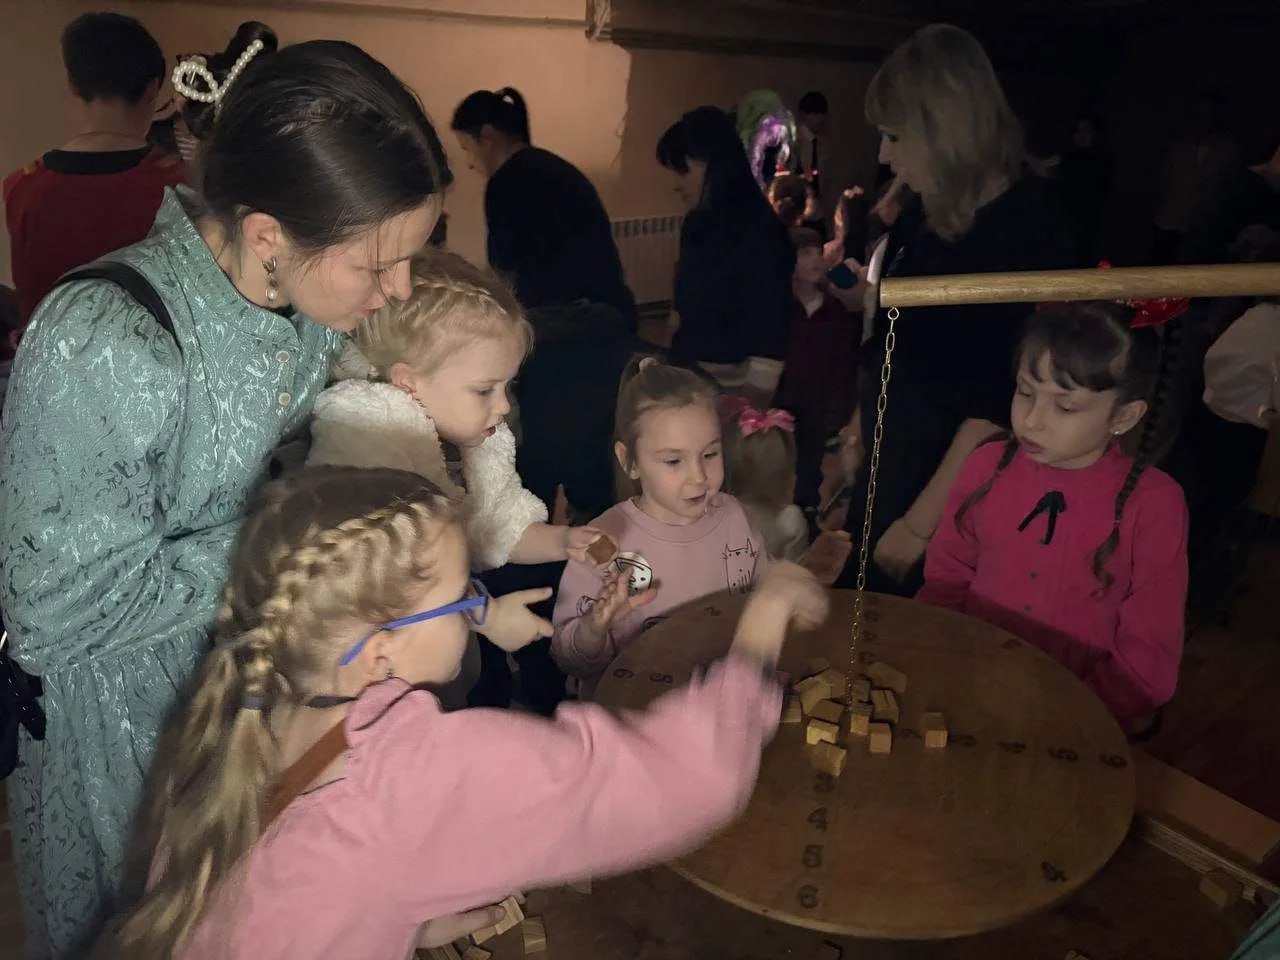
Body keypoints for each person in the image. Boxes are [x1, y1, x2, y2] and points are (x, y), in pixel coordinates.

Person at [0, 39, 452, 958]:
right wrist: (288, 537)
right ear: (268, 235)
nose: (397, 289)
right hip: (126, 733)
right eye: (377, 266)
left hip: (247, 691)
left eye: (411, 256)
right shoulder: (107, 338)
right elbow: (52, 613)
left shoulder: (299, 307)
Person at [98, 465, 827, 959]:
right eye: (461, 598)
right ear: (380, 651)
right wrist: (762, 621)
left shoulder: (247, 711)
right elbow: (678, 782)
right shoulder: (415, 776)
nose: (476, 607)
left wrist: (384, 916)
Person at [306, 250, 614, 707]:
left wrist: (564, 541)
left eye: (507, 386)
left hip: (445, 644)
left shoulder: (469, 437)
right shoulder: (365, 445)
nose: (504, 406)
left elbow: (496, 527)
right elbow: (405, 575)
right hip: (373, 676)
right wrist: (488, 616)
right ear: (409, 382)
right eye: (484, 390)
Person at [834, 23, 1073, 595]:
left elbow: (1002, 399)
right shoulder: (926, 210)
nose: (884, 154)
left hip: (951, 485)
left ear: (946, 129)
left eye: (895, 135)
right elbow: (898, 336)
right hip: (897, 452)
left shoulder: (1029, 227)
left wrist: (921, 523)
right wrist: (857, 430)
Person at [919, 303, 1188, 730]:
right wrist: (941, 657)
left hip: (1077, 713)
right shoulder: (986, 464)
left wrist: (1070, 711)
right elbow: (946, 576)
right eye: (1026, 392)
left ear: (1124, 416)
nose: (1031, 421)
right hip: (970, 679)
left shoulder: (1154, 502)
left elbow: (1148, 652)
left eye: (1065, 407)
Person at [451, 86, 634, 522]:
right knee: (593, 443)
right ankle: (599, 535)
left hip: (562, 329)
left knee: (542, 448)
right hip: (607, 320)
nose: (471, 163)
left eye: (468, 149)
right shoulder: (553, 169)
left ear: (488, 136)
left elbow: (509, 276)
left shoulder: (508, 182)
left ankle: (538, 540)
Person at [551, 359, 768, 697]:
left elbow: (765, 601)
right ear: (630, 462)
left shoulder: (736, 518)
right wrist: (594, 628)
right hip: (630, 714)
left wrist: (803, 573)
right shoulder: (601, 541)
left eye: (710, 454)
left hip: (716, 705)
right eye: (673, 461)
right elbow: (568, 659)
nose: (698, 477)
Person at [3, 12, 185, 329]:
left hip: (42, 358)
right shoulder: (177, 186)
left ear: (72, 84)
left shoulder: (21, 187)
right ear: (152, 89)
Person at [657, 106, 796, 407]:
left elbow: (770, 336)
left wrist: (748, 411)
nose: (677, 184)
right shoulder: (696, 223)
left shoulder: (761, 233)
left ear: (710, 164)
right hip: (689, 379)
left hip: (731, 393)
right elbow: (683, 304)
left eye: (683, 171)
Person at [776, 228, 859, 517]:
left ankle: (807, 510)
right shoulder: (781, 308)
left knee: (811, 460)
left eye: (817, 252)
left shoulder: (834, 309)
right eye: (805, 253)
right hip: (783, 398)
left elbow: (843, 360)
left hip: (819, 400)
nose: (815, 260)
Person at [1152, 93, 1238, 264]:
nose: (1202, 119)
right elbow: (1164, 181)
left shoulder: (1227, 148)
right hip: (1170, 223)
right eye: (1197, 113)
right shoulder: (1178, 146)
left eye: (1208, 113)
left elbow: (1229, 186)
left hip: (1207, 226)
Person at [1055, 112, 1114, 266]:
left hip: (1094, 226)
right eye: (1078, 131)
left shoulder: (1104, 161)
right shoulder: (1065, 162)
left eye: (1087, 130)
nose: (1082, 135)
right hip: (1067, 227)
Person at [794, 90, 829, 236]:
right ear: (804, 115)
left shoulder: (822, 143)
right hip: (799, 207)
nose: (819, 119)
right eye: (814, 114)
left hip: (818, 207)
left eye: (821, 114)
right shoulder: (795, 142)